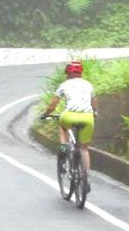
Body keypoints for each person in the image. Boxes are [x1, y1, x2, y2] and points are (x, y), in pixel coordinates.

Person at [41, 60, 98, 190]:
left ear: (67, 74)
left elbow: (52, 106)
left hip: (70, 115)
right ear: (81, 74)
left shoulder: (64, 85)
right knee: (84, 148)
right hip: (88, 118)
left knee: (62, 126)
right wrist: (94, 113)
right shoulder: (88, 85)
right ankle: (86, 178)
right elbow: (94, 103)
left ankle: (63, 147)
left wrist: (45, 114)